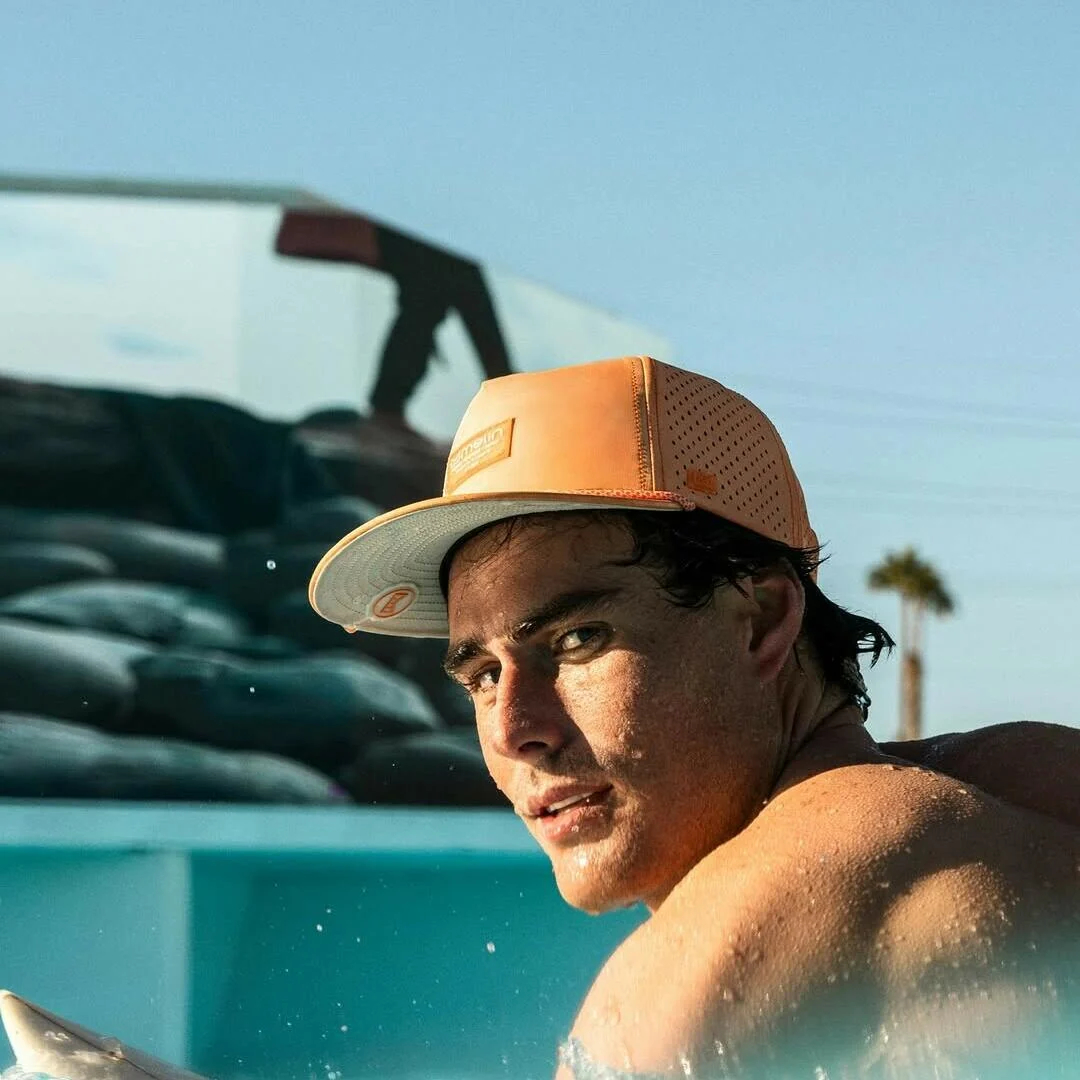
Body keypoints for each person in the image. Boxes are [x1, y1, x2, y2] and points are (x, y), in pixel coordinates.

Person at [309, 356, 1080, 1077]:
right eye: (482, 676)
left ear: (761, 620)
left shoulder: (696, 988)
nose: (514, 730)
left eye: (577, 640)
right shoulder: (1030, 782)